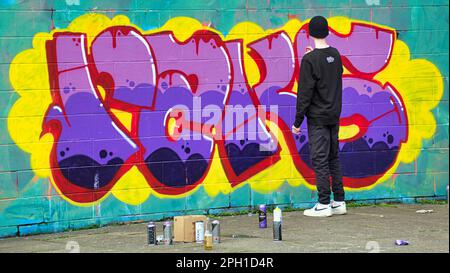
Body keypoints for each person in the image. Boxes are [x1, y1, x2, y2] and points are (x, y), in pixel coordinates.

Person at [292, 16, 346, 217]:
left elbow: (304, 93)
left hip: (318, 119)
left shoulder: (309, 60)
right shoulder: (335, 54)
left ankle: (324, 203)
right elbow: (332, 73)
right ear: (327, 32)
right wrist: (314, 57)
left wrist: (297, 122)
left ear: (309, 33)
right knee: (333, 157)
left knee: (320, 159)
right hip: (334, 116)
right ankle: (339, 201)